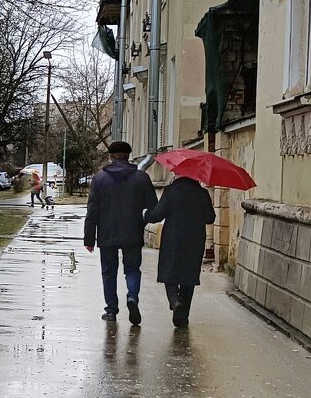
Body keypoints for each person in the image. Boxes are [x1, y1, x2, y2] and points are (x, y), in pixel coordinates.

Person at [84, 141, 158, 325]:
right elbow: (153, 207)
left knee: (109, 272)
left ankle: (111, 311)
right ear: (128, 155)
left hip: (107, 233)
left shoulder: (100, 178)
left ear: (111, 156)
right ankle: (132, 297)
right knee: (132, 269)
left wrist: (89, 238)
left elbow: (92, 209)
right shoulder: (141, 178)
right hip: (133, 232)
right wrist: (142, 218)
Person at [144, 175, 215, 329]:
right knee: (188, 277)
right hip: (195, 240)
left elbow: (157, 215)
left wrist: (146, 215)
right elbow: (210, 218)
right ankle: (182, 318)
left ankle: (175, 301)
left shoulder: (171, 191)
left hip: (173, 239)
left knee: (169, 272)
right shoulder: (202, 193)